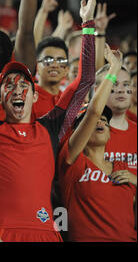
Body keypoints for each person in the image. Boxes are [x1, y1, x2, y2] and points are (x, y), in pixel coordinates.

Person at [0, 0, 97, 242]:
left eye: (24, 85)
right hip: (0, 235)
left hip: (46, 234)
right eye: (9, 85)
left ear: (35, 95)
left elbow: (86, 81)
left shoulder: (51, 127)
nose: (17, 90)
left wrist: (87, 24)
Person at [58, 47, 136, 242]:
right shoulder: (71, 163)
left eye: (104, 121)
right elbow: (93, 112)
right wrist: (113, 68)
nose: (99, 122)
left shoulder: (122, 167)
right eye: (93, 121)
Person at [96, 63, 137, 175]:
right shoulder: (87, 133)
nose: (121, 90)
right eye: (113, 84)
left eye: (126, 84)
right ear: (97, 90)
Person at [33, 36, 69, 119]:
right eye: (48, 60)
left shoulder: (69, 101)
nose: (54, 65)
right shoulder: (27, 97)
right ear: (37, 66)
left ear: (66, 69)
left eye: (61, 61)